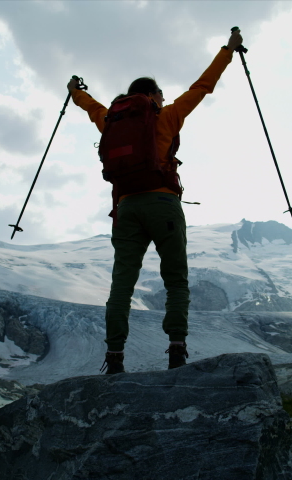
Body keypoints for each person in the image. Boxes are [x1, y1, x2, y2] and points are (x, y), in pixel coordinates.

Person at [68, 28, 244, 374]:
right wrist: (228, 50)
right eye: (160, 94)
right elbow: (202, 87)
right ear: (151, 95)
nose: (163, 98)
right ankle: (176, 350)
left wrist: (75, 90)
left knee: (122, 283)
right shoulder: (166, 117)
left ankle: (114, 357)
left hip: (127, 208)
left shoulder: (110, 120)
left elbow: (89, 105)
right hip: (162, 204)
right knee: (175, 279)